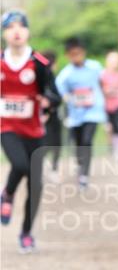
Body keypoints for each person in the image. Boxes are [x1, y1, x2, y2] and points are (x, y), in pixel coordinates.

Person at [1, 10, 60, 251]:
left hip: (35, 130)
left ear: (27, 32)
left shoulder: (39, 63)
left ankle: (26, 233)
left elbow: (56, 95)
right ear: (5, 33)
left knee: (36, 185)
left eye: (21, 26)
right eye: (10, 27)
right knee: (21, 165)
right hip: (7, 127)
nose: (16, 31)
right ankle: (8, 194)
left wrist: (48, 100)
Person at [55, 37, 106, 190]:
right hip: (75, 114)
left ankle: (84, 174)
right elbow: (61, 93)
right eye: (72, 54)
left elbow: (102, 82)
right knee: (78, 143)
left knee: (87, 140)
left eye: (78, 53)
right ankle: (80, 164)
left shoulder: (95, 67)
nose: (76, 57)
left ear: (83, 53)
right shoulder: (65, 74)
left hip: (93, 111)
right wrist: (71, 98)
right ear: (67, 55)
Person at [101, 50, 118, 156]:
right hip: (105, 105)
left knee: (117, 126)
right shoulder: (102, 75)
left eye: (117, 61)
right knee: (108, 127)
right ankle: (110, 147)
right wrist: (106, 91)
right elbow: (101, 89)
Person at [41, 48, 62, 178]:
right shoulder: (44, 75)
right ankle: (47, 167)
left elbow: (56, 98)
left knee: (55, 143)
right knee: (49, 144)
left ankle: (53, 168)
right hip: (42, 117)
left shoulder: (50, 76)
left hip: (52, 115)